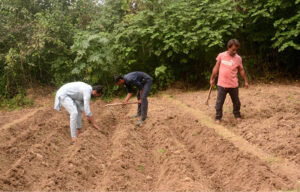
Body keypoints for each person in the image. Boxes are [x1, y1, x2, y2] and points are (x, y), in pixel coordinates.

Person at [210, 39, 249, 123]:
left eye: (236, 50)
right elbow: (216, 68)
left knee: (236, 102)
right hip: (222, 84)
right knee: (219, 102)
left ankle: (237, 115)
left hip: (233, 85)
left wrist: (245, 81)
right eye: (233, 49)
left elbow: (241, 70)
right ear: (228, 47)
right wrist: (212, 78)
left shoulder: (238, 58)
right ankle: (218, 117)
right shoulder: (221, 56)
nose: (235, 51)